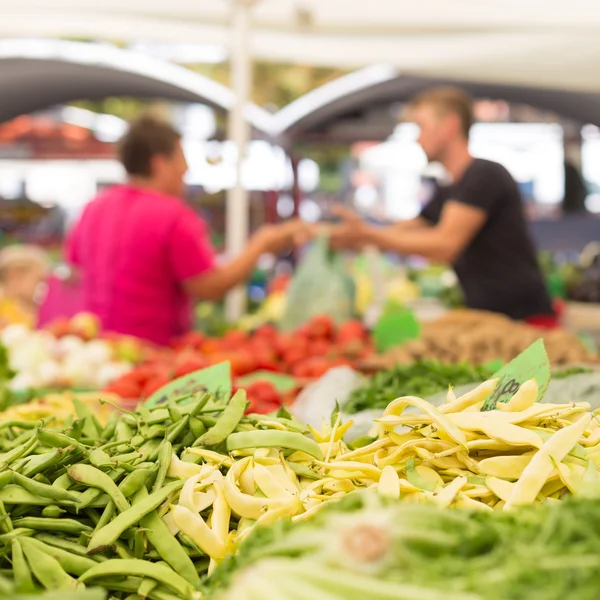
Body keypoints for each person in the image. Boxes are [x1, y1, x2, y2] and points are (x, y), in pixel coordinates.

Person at [66, 116, 309, 345]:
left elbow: (75, 272)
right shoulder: (172, 215)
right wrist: (261, 244)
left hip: (98, 349)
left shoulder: (94, 207)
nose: (186, 169)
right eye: (182, 157)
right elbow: (210, 287)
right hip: (154, 355)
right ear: (160, 163)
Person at [331, 87, 555, 324]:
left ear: (449, 125)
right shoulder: (449, 187)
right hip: (489, 317)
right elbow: (407, 229)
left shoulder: (485, 175)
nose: (417, 137)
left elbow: (445, 244)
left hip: (524, 319)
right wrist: (355, 235)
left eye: (421, 127)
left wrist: (372, 237)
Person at [0, 244, 50, 328]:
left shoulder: (30, 309)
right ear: (16, 275)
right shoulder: (4, 309)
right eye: (38, 280)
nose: (41, 287)